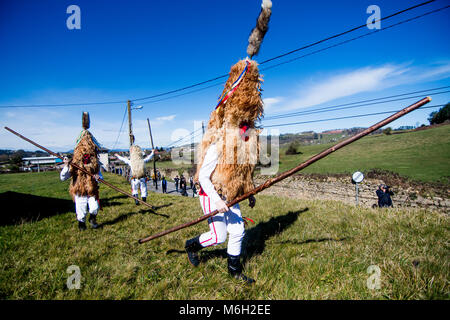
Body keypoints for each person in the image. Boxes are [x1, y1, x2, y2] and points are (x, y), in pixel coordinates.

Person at [60, 112, 103, 231]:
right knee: (81, 210)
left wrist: (98, 178)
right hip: (79, 190)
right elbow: (63, 178)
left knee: (94, 208)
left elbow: (100, 176)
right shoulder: (73, 164)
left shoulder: (95, 163)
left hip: (92, 190)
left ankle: (92, 219)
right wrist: (66, 166)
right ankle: (82, 225)